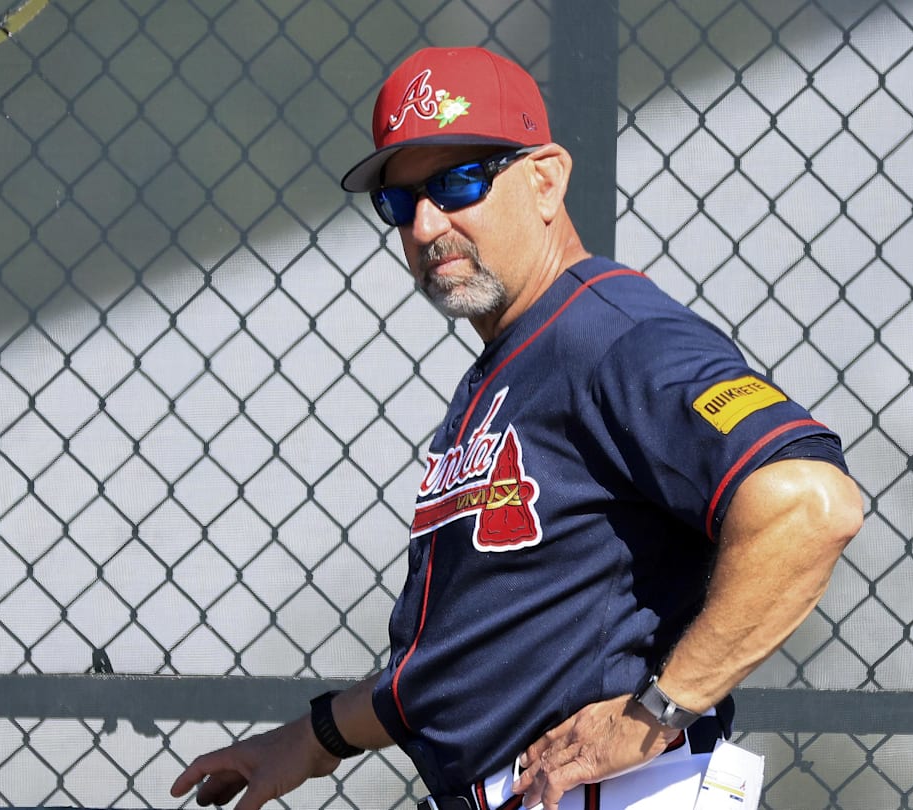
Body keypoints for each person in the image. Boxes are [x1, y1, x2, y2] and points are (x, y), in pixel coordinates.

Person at [171, 46, 864, 810]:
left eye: (457, 181)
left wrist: (656, 713)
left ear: (545, 179)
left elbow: (808, 505)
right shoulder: (510, 368)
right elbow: (468, 658)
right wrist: (310, 739)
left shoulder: (615, 336)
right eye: (400, 202)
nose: (427, 224)